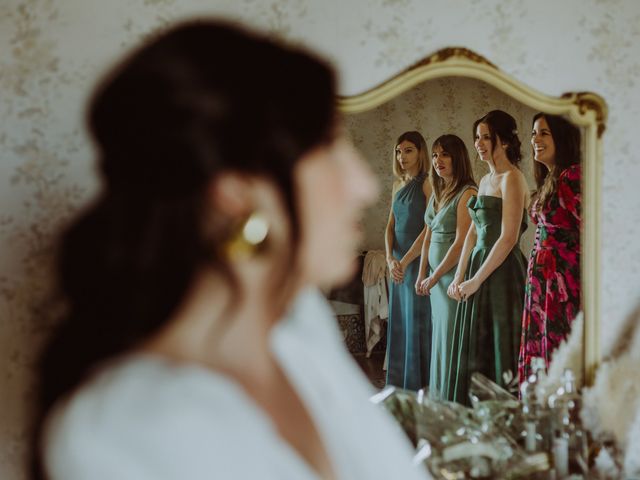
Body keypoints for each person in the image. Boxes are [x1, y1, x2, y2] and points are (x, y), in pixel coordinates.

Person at [31, 21, 432, 480]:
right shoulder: (123, 430)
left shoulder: (300, 329)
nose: (364, 185)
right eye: (328, 148)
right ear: (237, 193)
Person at [446, 110, 529, 404]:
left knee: (499, 341)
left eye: (486, 137)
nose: (479, 143)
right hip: (478, 268)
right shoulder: (483, 181)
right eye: (477, 137)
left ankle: (504, 412)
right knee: (475, 343)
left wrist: (476, 281)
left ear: (504, 141)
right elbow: (471, 233)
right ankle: (474, 413)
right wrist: (459, 275)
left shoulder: (513, 179)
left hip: (502, 272)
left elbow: (508, 238)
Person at [518, 113, 582, 382]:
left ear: (562, 138)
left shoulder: (572, 176)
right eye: (533, 133)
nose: (536, 139)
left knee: (559, 357)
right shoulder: (552, 178)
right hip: (543, 289)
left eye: (544, 133)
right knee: (542, 357)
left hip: (562, 289)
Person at [415, 134, 477, 401]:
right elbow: (427, 236)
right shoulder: (439, 192)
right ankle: (439, 397)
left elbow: (462, 242)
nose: (438, 160)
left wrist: (435, 276)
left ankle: (453, 400)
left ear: (457, 158)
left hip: (451, 277)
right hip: (434, 281)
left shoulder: (467, 193)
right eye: (435, 155)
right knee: (439, 338)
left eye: (445, 155)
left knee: (451, 340)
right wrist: (421, 274)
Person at [384, 131, 432, 391]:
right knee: (400, 323)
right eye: (398, 151)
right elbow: (389, 227)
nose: (402, 156)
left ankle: (419, 386)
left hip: (418, 262)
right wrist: (391, 259)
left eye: (408, 150)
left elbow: (430, 228)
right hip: (398, 265)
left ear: (420, 152)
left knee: (416, 322)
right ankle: (399, 386)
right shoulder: (397, 184)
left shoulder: (427, 183)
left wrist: (407, 260)